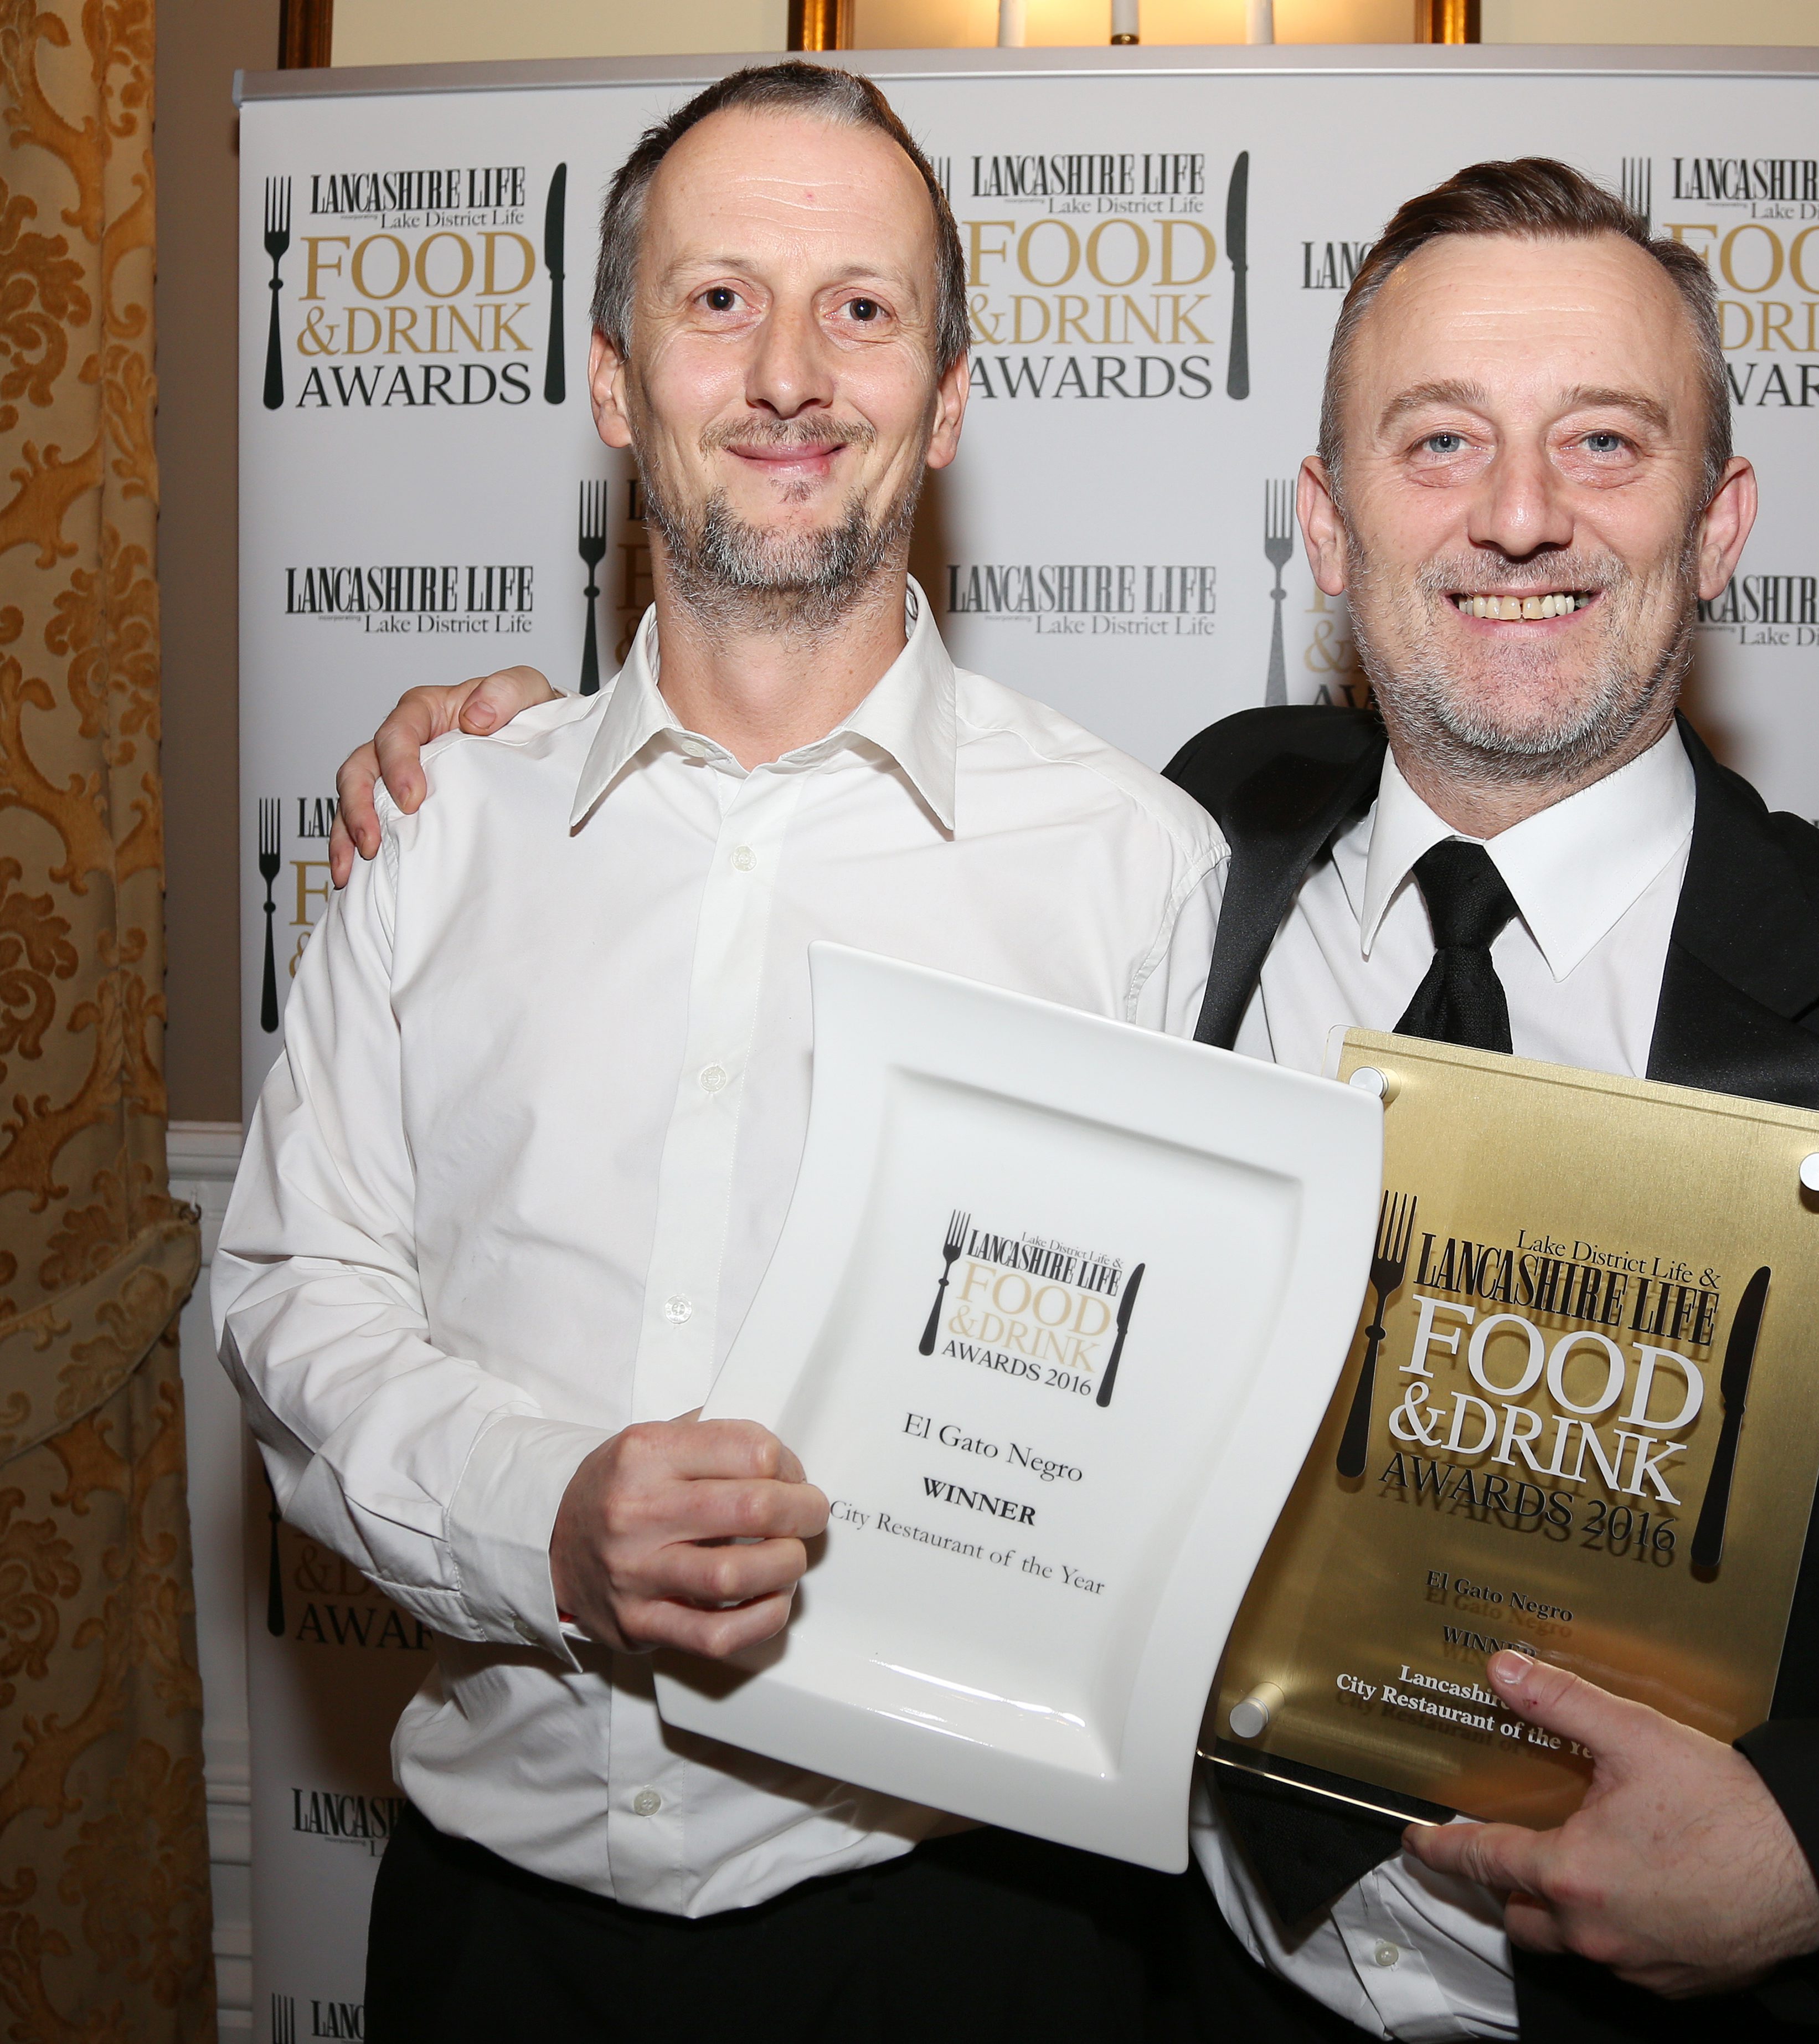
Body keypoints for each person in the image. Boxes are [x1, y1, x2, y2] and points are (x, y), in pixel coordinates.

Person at [326, 153, 1819, 2042]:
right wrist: (495, 754)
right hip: (1180, 1990)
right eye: (1438, 443)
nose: (1520, 516)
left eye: (1604, 440)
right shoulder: (1193, 854)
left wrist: (1816, 1853)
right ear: (1330, 533)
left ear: (1724, 515)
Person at [216, 62, 1322, 2044]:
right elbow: (301, 1297)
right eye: (720, 298)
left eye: (866, 308)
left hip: (967, 1942)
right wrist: (544, 1514)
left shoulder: (1132, 866)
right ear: (613, 382)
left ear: (952, 395)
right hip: (496, 1949)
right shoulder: (438, 827)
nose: (793, 371)